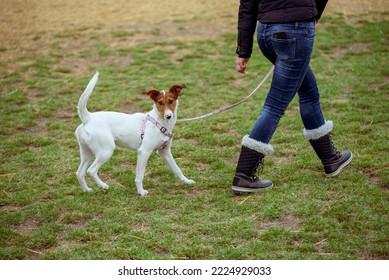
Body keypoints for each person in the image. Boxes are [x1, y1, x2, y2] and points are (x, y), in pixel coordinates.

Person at [232, 0, 353, 195]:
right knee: (274, 106)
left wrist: (244, 49)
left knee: (308, 92)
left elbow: (247, 4)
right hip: (295, 31)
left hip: (266, 33)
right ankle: (243, 176)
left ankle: (331, 160)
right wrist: (311, 15)